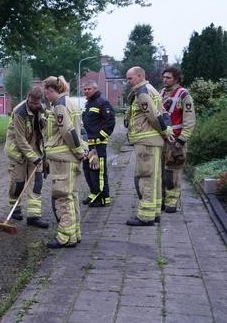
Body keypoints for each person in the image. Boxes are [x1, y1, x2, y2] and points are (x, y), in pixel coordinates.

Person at [124, 66, 173, 226]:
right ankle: (155, 211)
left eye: (130, 78)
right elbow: (163, 113)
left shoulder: (142, 92)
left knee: (145, 177)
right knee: (155, 177)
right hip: (153, 141)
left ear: (139, 76)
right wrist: (166, 130)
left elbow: (153, 115)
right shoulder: (152, 89)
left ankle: (146, 216)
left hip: (146, 141)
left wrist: (165, 131)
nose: (127, 81)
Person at [42, 76, 87, 248]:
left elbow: (68, 131)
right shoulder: (71, 103)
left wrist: (77, 151)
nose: (45, 96)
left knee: (62, 196)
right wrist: (80, 151)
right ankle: (74, 234)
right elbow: (78, 130)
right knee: (72, 196)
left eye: (46, 92)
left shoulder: (60, 105)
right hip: (71, 158)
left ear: (51, 90)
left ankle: (65, 237)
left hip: (63, 158)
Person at [4, 85, 49, 229]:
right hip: (18, 153)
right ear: (27, 97)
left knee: (36, 184)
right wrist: (33, 157)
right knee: (18, 183)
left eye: (37, 103)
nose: (34, 105)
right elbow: (20, 139)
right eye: (32, 102)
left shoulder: (42, 110)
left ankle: (34, 217)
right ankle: (15, 209)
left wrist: (41, 155)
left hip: (35, 150)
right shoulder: (19, 112)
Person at [160, 67, 196, 213]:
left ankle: (172, 202)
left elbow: (189, 120)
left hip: (175, 140)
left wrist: (181, 140)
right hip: (161, 139)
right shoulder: (161, 93)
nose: (165, 80)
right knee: (161, 171)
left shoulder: (183, 95)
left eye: (168, 77)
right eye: (164, 77)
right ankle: (161, 200)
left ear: (176, 78)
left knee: (173, 172)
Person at [81, 80, 116, 207]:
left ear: (95, 89)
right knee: (88, 169)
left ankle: (103, 197)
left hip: (98, 143)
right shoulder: (89, 104)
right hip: (88, 143)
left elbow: (111, 121)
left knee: (99, 170)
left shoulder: (102, 102)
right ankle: (94, 192)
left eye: (88, 89)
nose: (86, 91)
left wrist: (101, 136)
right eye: (84, 89)